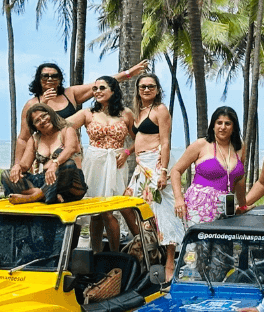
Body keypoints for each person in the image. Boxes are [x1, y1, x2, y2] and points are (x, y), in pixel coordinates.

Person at [17, 60, 147, 163]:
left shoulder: (70, 93)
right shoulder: (32, 104)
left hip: (71, 152)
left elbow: (104, 84)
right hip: (45, 155)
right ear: (38, 79)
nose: (50, 79)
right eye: (45, 76)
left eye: (54, 76)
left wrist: (129, 73)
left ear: (60, 79)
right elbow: (23, 138)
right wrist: (17, 164)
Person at [124, 73, 184, 275]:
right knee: (129, 203)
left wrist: (164, 170)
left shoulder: (160, 110)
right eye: (143, 86)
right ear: (138, 89)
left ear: (157, 89)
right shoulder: (137, 111)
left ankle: (169, 262)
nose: (147, 89)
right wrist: (127, 152)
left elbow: (165, 141)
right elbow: (139, 137)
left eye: (151, 86)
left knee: (164, 211)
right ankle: (146, 242)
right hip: (141, 165)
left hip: (157, 162)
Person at [74, 76, 135, 251]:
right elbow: (65, 124)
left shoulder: (126, 113)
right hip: (94, 162)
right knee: (95, 212)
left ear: (113, 91)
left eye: (102, 88)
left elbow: (139, 138)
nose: (97, 92)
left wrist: (127, 152)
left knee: (110, 210)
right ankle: (96, 252)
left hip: (117, 162)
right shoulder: (88, 113)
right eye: (95, 89)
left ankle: (115, 255)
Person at [171, 106, 248, 228]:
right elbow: (176, 170)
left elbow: (239, 179)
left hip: (227, 206)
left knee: (223, 245)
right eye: (219, 123)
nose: (223, 127)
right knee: (198, 246)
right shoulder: (201, 144)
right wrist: (178, 199)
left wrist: (243, 205)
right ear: (213, 125)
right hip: (199, 206)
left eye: (227, 123)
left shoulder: (240, 147)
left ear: (233, 127)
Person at [2, 103, 87, 204]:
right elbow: (25, 165)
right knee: (6, 175)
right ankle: (46, 195)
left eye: (44, 115)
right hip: (46, 180)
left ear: (51, 114)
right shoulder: (35, 139)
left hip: (70, 183)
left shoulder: (67, 130)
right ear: (34, 126)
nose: (42, 121)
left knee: (68, 164)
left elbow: (70, 148)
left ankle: (34, 196)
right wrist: (17, 166)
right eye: (37, 120)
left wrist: (55, 164)